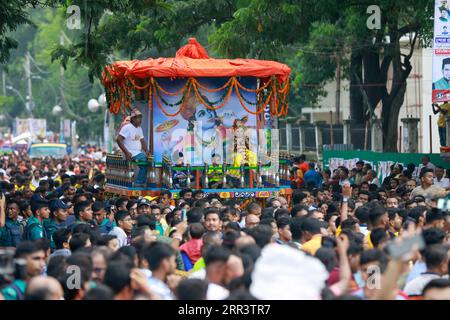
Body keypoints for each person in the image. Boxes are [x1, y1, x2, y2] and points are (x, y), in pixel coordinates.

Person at [116, 108, 151, 187]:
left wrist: (147, 151)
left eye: (141, 118)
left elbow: (142, 141)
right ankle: (139, 183)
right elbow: (118, 140)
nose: (140, 120)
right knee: (144, 161)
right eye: (138, 118)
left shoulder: (139, 128)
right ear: (133, 119)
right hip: (131, 152)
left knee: (147, 161)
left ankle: (141, 182)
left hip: (137, 152)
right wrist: (127, 152)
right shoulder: (127, 127)